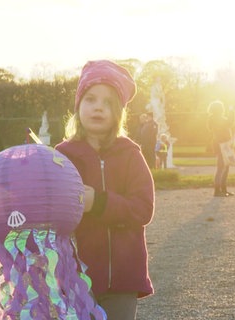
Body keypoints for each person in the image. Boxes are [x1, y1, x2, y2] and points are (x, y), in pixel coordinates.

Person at [55, 60, 154, 320]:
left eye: (108, 102)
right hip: (73, 277)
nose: (98, 106)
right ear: (78, 107)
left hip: (122, 279)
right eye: (90, 99)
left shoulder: (130, 154)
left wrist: (97, 203)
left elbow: (143, 209)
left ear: (119, 113)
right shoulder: (61, 156)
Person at [207, 100, 235, 197]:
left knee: (225, 166)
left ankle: (223, 189)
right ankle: (218, 190)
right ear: (220, 109)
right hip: (222, 144)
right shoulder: (218, 118)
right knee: (221, 167)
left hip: (222, 144)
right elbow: (230, 123)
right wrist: (231, 111)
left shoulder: (213, 118)